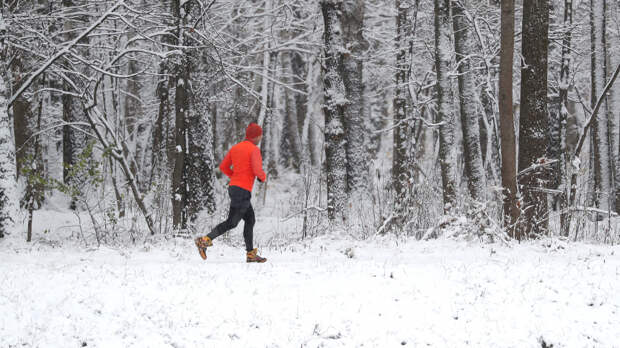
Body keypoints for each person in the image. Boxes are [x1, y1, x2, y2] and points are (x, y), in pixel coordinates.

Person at [195, 123, 267, 263]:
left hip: (234, 188)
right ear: (256, 136)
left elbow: (223, 167)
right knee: (232, 222)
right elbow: (258, 170)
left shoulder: (235, 148)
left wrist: (234, 175)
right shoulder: (254, 150)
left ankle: (250, 254)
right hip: (242, 190)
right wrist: (263, 177)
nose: (261, 137)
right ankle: (204, 240)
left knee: (250, 220)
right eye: (260, 135)